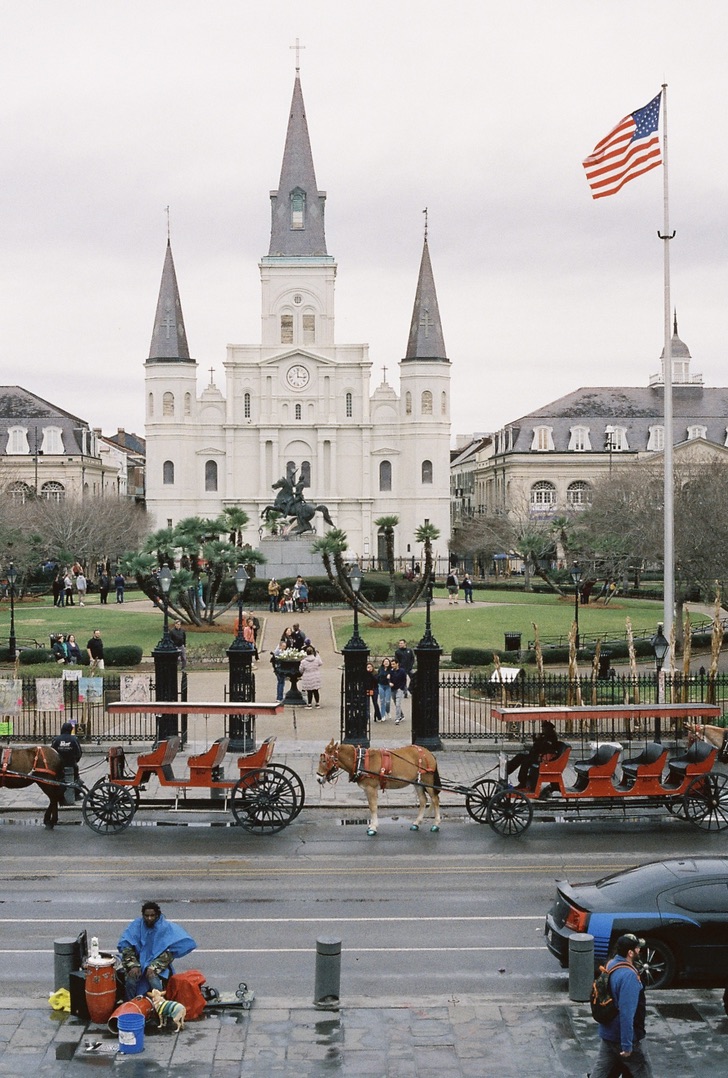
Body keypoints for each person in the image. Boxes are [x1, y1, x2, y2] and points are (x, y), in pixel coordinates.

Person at [590, 934, 654, 1078]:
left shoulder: (611, 964)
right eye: (637, 948)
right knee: (643, 1072)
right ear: (630, 953)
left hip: (608, 1033)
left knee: (601, 1073)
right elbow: (626, 1013)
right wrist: (627, 1045)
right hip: (625, 1038)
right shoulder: (629, 976)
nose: (639, 951)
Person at [118, 901, 197, 1000]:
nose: (149, 918)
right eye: (146, 916)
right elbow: (127, 947)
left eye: (152, 915)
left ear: (157, 915)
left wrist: (153, 967)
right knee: (131, 979)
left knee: (152, 976)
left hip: (157, 962)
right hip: (138, 962)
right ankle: (130, 1003)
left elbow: (170, 952)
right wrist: (133, 965)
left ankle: (160, 1003)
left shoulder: (165, 928)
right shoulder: (136, 926)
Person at [506, 720, 559, 788]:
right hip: (537, 755)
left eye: (544, 728)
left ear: (548, 729)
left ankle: (523, 781)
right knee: (520, 756)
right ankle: (508, 768)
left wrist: (538, 740)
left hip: (542, 758)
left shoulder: (551, 737)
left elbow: (543, 747)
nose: (543, 730)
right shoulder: (545, 736)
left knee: (526, 762)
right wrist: (537, 739)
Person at [51, 720, 83, 798]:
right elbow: (79, 753)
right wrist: (75, 761)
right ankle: (76, 794)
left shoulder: (57, 739)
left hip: (59, 765)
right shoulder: (74, 739)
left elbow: (52, 752)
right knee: (75, 778)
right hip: (71, 764)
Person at [389, 658, 408, 725]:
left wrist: (401, 688)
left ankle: (397, 718)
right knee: (396, 703)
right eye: (391, 664)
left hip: (399, 689)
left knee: (398, 704)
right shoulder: (391, 671)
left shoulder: (402, 671)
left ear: (397, 664)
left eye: (394, 664)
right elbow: (389, 679)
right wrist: (389, 683)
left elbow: (404, 680)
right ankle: (401, 715)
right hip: (393, 689)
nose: (392, 665)